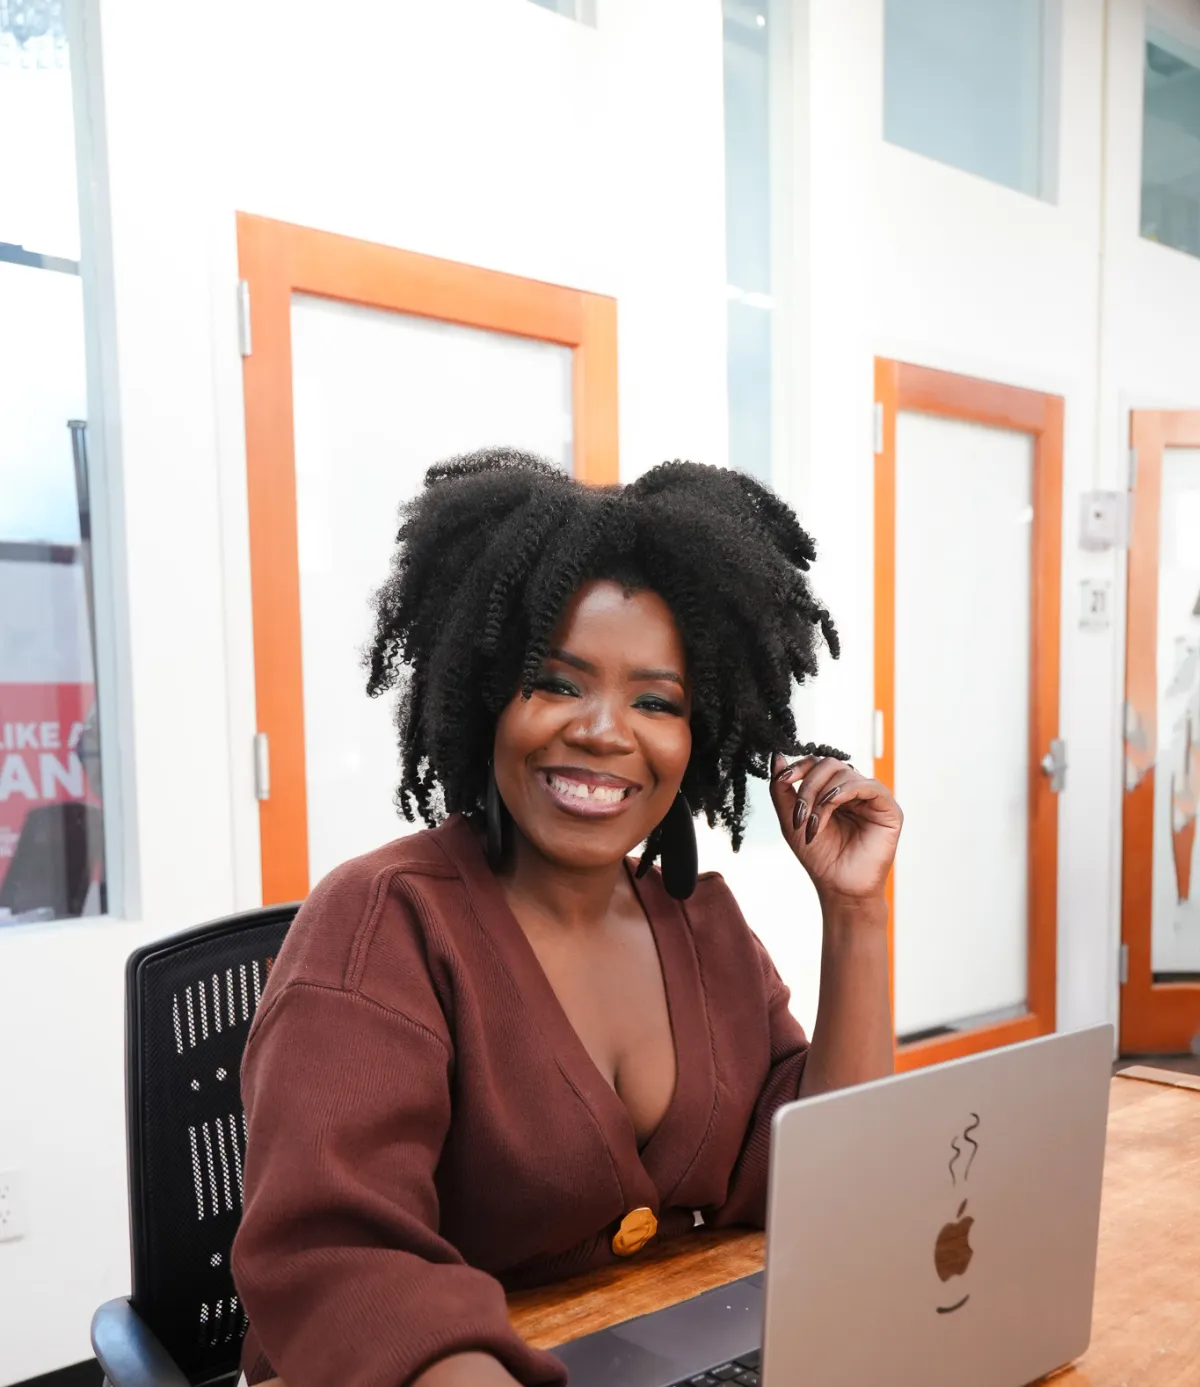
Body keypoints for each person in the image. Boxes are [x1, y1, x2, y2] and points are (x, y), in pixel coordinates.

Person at [232, 451, 902, 1387]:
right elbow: (346, 1270)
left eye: (656, 700)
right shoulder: (384, 923)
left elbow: (826, 1171)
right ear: (485, 695)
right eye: (556, 682)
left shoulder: (700, 921)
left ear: (698, 734)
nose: (603, 730)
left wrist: (856, 911)